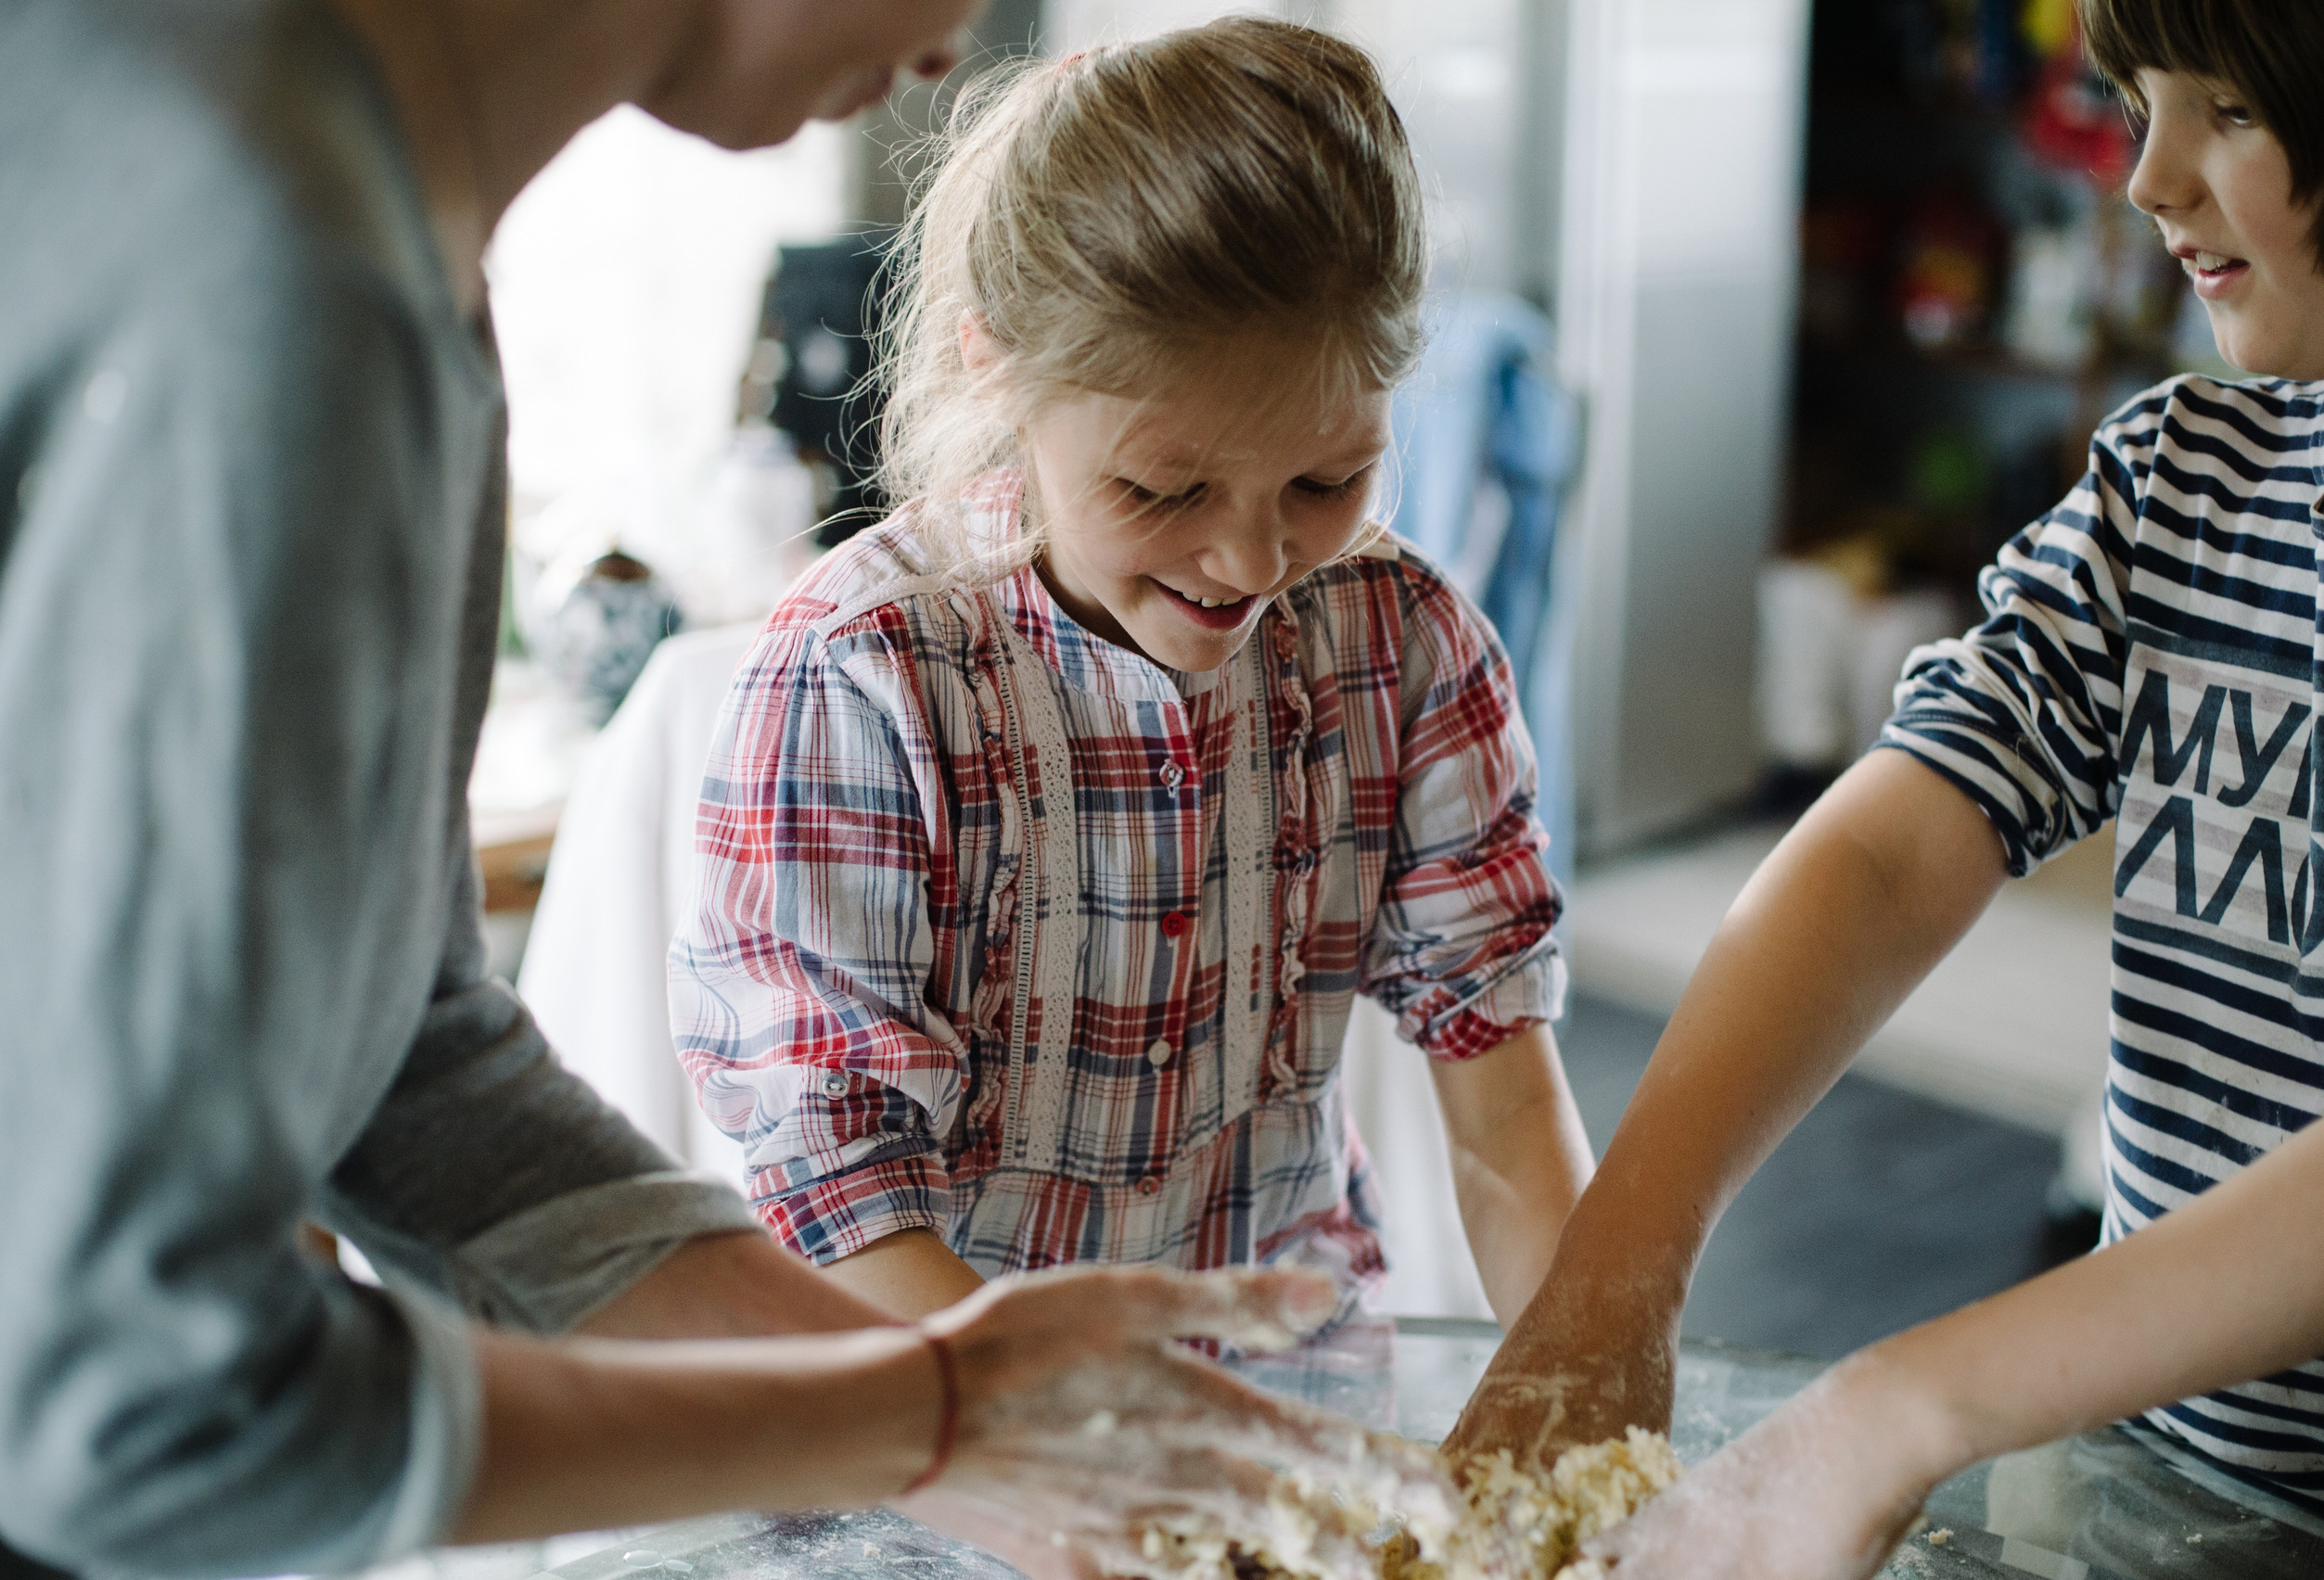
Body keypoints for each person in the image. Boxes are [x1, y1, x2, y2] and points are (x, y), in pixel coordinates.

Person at [0, 4, 1430, 1577]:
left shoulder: (398, 245)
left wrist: (954, 1409)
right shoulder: (276, 268)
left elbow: (412, 1058)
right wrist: (920, 1427)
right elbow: (131, 1408)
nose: (963, 37)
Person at [1443, 1, 2324, 1574]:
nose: (2147, 179)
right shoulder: (2184, 483)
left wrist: (1904, 1404)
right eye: (2139, 103)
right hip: (2168, 1483)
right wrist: (1620, 1274)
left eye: (2226, 109)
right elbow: (1897, 847)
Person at [670, 19, 1595, 1333]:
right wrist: (1073, 1447)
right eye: (1165, 487)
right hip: (928, 1421)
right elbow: (839, 1203)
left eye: (1328, 481)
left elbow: (1505, 1100)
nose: (1255, 557)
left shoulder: (1405, 642)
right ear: (1000, 359)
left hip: (1282, 1372)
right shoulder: (866, 676)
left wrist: (1581, 1378)